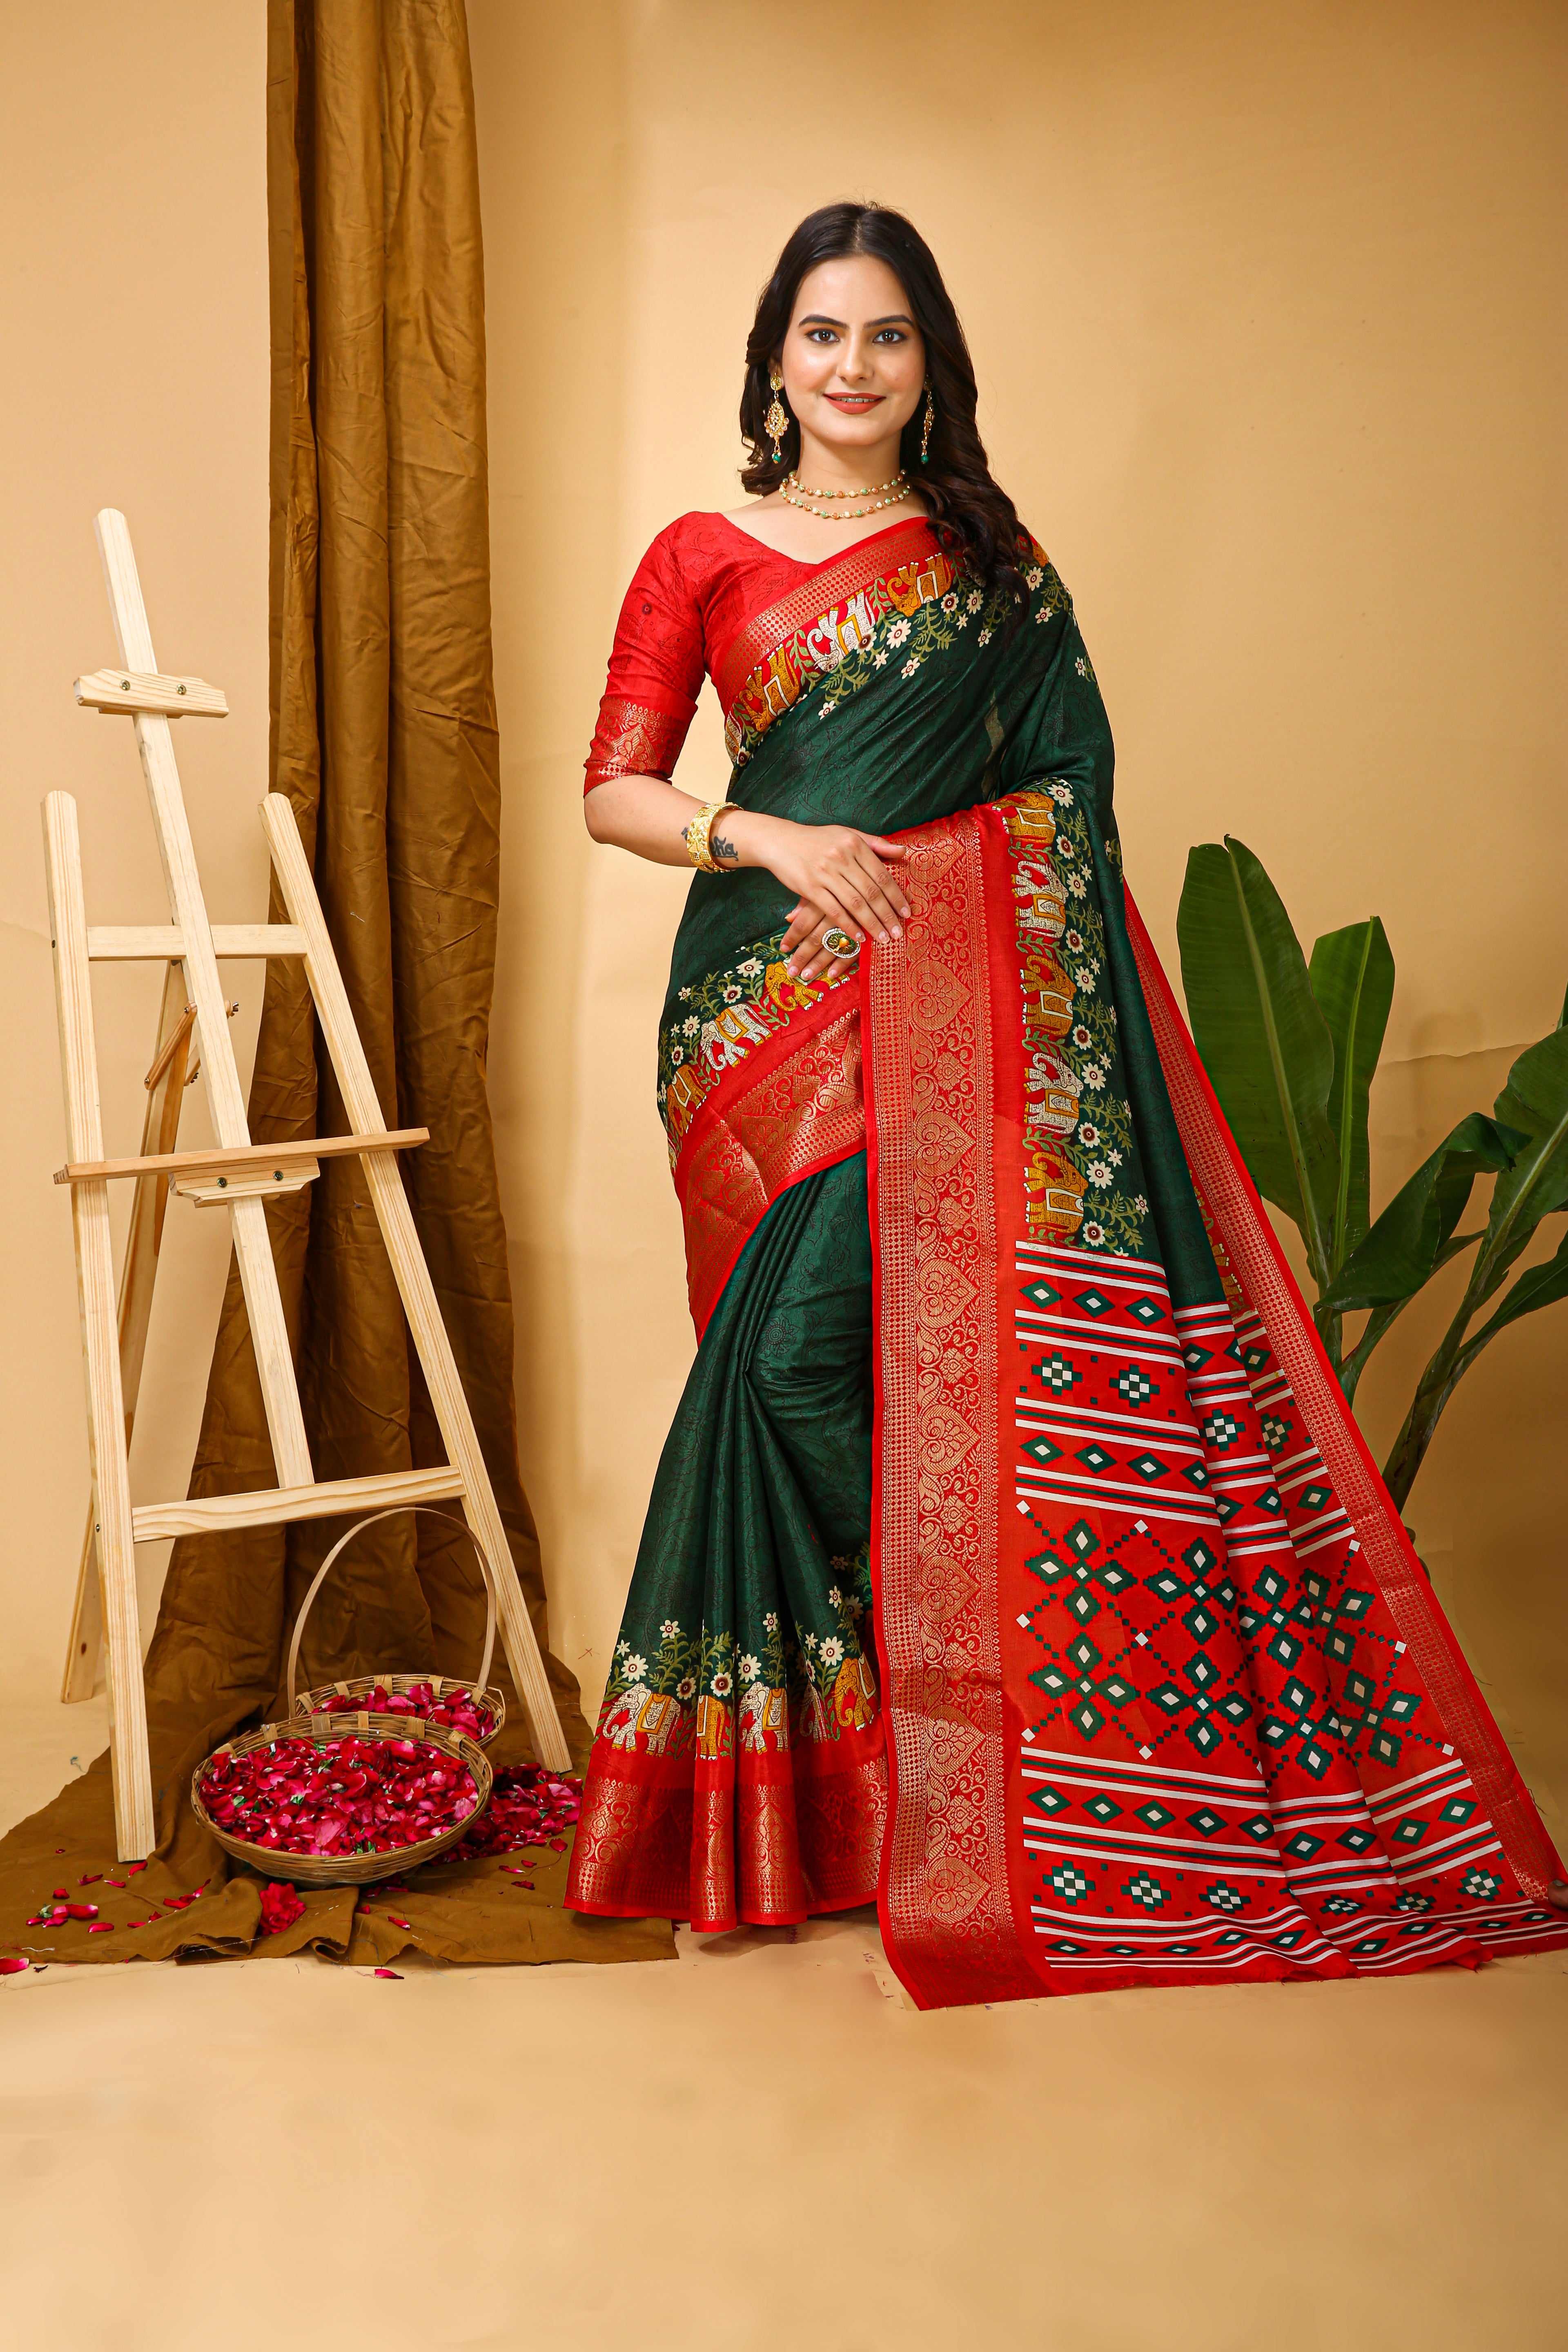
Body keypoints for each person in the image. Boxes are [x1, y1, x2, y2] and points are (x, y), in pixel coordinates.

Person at [564, 200, 1568, 2009]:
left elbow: (1067, 794)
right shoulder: (699, 555)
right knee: (791, 1371)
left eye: (887, 334)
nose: (853, 365)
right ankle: (851, 1794)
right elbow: (613, 788)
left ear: (928, 361)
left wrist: (943, 887)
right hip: (757, 1017)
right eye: (821, 333)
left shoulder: (995, 565)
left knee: (837, 1368)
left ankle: (946, 1771)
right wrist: (767, 833)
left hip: (952, 1005)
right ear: (774, 358)